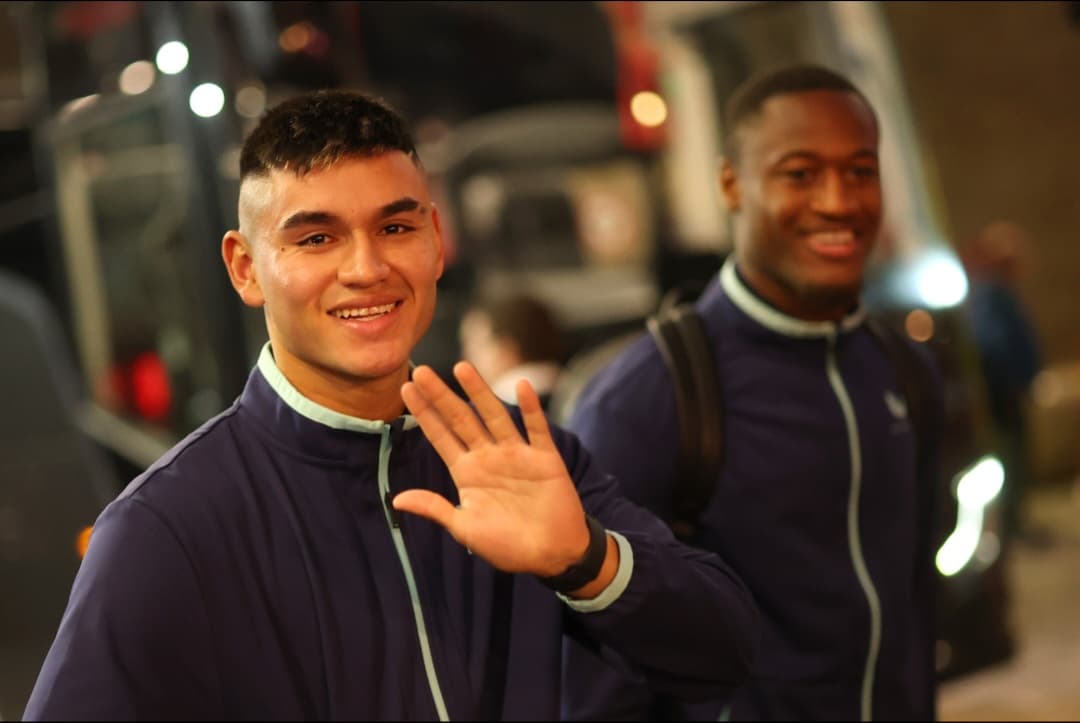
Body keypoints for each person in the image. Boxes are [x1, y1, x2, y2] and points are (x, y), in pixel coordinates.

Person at [23, 89, 759, 721]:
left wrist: (587, 561)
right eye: (316, 237)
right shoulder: (167, 527)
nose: (367, 268)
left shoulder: (522, 460)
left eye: (396, 227)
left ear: (437, 240)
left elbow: (727, 652)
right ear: (246, 268)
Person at [564, 65, 944, 720]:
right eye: (799, 173)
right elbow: (595, 676)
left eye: (860, 170)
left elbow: (914, 602)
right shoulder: (645, 401)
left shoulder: (904, 370)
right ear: (731, 184)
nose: (838, 200)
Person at [962, 220, 1043, 548]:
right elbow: (992, 344)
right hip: (1004, 395)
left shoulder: (997, 293)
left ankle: (1016, 523)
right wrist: (1009, 383)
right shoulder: (990, 296)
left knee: (1016, 456)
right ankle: (1011, 528)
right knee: (1010, 457)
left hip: (1008, 391)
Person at [459, 292, 565, 410]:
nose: (466, 358)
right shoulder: (575, 392)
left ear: (506, 350)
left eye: (476, 345)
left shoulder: (500, 409)